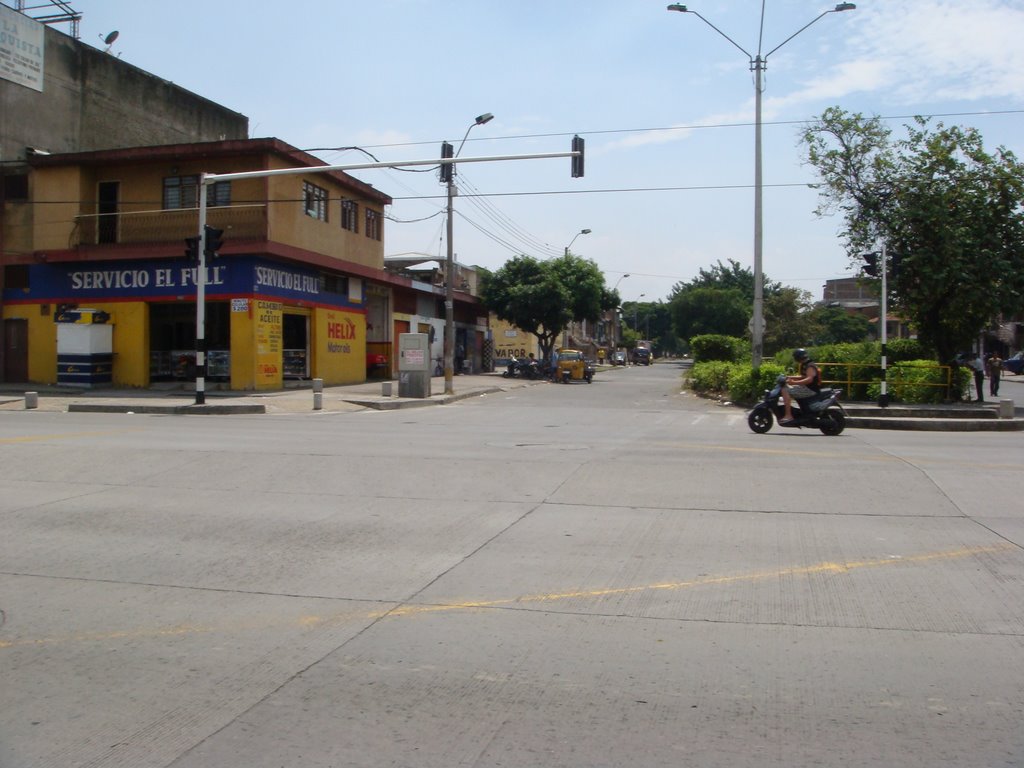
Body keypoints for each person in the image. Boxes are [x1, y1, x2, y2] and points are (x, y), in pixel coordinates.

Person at [781, 348, 821, 424]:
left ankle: (788, 415)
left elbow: (809, 379)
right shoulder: (804, 364)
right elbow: (803, 376)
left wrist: (794, 383)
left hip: (810, 390)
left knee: (785, 390)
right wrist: (789, 377)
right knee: (787, 388)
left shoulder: (810, 366)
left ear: (798, 357)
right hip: (806, 388)